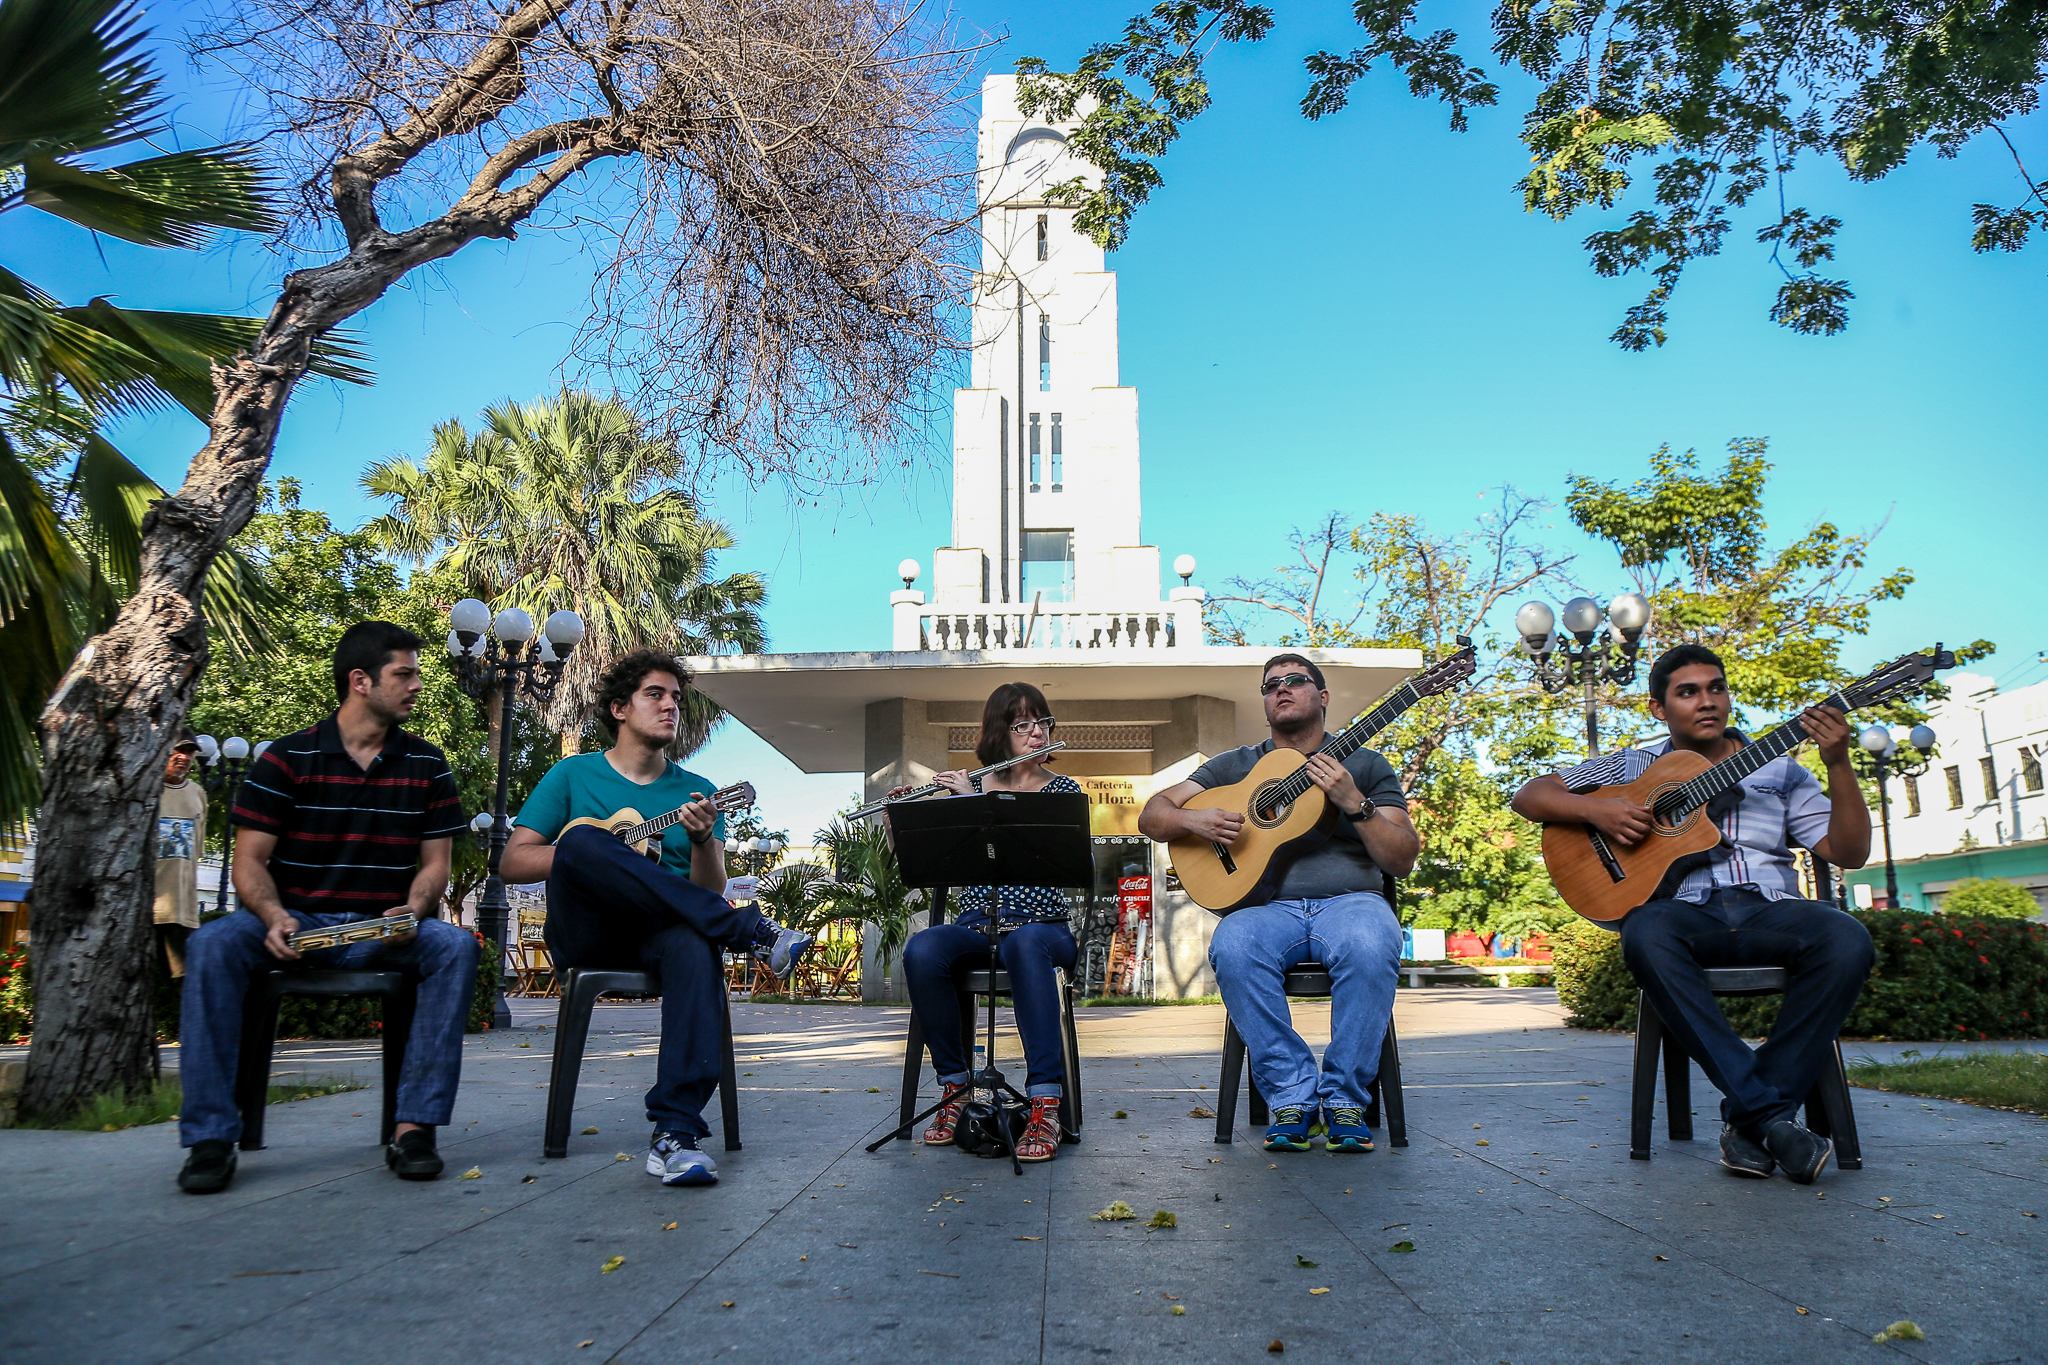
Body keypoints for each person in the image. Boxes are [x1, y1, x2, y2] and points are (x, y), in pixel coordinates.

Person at [1511, 643, 1873, 1183]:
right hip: (1683, 914)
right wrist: (1598, 811)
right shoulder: (1635, 765)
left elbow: (1850, 852)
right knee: (1643, 931)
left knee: (1847, 938)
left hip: (1771, 910)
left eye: (1716, 688)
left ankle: (1753, 1118)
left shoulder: (1781, 770)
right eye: (1688, 692)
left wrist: (1839, 762)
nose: (1707, 701)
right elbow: (1530, 795)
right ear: (1658, 708)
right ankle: (1771, 1118)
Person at [176, 622, 475, 1194]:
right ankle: (210, 1138)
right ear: (360, 681)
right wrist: (272, 916)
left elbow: (435, 866)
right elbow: (248, 863)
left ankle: (414, 1129)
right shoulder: (285, 759)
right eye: (404, 674)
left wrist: (412, 910)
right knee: (211, 942)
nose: (417, 685)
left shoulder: (428, 764)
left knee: (456, 946)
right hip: (295, 924)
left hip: (382, 928)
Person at [501, 648, 811, 1188]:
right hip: (587, 933)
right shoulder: (574, 774)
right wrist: (590, 854)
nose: (671, 706)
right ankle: (751, 930)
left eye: (676, 698)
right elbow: (513, 861)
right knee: (584, 841)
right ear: (619, 708)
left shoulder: (696, 791)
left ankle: (677, 1133)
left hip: (660, 935)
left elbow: (707, 892)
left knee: (693, 941)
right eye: (655, 694)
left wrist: (702, 839)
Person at [1138, 654, 1418, 1154]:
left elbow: (1402, 858)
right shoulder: (1235, 765)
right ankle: (1292, 1097)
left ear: (1323, 697)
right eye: (1270, 685)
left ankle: (1345, 1101)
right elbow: (1153, 815)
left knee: (1373, 940)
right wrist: (1193, 821)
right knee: (1233, 944)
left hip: (1352, 902)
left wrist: (1356, 803)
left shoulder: (1366, 765)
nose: (1281, 689)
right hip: (1266, 910)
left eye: (1295, 681)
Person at [894, 682, 1082, 1162]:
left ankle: (1045, 1102)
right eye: (1023, 725)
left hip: (1043, 929)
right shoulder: (972, 786)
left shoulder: (1062, 791)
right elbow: (928, 865)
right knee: (923, 948)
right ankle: (956, 1088)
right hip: (978, 927)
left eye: (1043, 722)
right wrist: (903, 823)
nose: (1038, 733)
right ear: (1000, 732)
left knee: (1023, 944)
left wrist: (977, 808)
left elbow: (1059, 863)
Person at [153, 730, 207, 979]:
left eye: (189, 752)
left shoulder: (198, 794)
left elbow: (195, 852)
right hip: (143, 907)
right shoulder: (145, 790)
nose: (183, 757)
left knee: (186, 982)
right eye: (178, 750)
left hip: (181, 909)